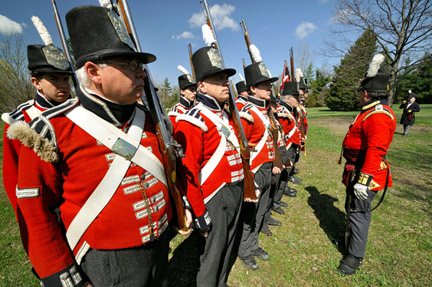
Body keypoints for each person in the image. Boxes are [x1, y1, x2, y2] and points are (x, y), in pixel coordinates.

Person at [8, 6, 191, 286]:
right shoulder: (51, 131)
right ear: (94, 72)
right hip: (106, 262)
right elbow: (35, 212)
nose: (142, 74)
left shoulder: (150, 118)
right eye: (131, 65)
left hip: (160, 245)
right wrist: (62, 275)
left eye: (140, 66)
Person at [174, 45, 244, 287]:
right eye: (219, 79)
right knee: (212, 255)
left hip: (233, 191)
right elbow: (188, 173)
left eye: (227, 79)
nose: (227, 84)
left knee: (228, 246)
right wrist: (199, 210)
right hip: (214, 196)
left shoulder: (224, 115)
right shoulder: (193, 120)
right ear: (201, 85)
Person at [338, 54, 396, 275]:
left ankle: (354, 256)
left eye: (360, 93)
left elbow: (376, 149)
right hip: (357, 168)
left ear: (366, 94)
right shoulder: (370, 112)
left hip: (366, 172)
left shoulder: (378, 115)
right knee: (353, 210)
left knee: (359, 214)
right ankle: (350, 243)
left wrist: (364, 180)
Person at [2, 43, 73, 219]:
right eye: (54, 79)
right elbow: (14, 179)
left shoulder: (81, 111)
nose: (62, 85)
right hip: (48, 210)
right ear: (36, 83)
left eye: (65, 79)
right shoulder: (19, 120)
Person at [237, 61, 279, 270]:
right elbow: (240, 149)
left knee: (262, 210)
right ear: (252, 88)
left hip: (266, 167)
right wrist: (248, 177)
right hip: (253, 171)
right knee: (250, 214)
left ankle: (253, 244)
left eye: (270, 84)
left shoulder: (265, 110)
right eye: (265, 85)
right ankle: (244, 250)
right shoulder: (245, 111)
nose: (269, 88)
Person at [277, 82, 302, 198]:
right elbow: (281, 134)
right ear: (287, 98)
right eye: (295, 98)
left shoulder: (289, 111)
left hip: (291, 146)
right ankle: (277, 197)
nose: (298, 100)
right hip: (286, 147)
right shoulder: (282, 112)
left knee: (286, 172)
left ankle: (280, 194)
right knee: (283, 173)